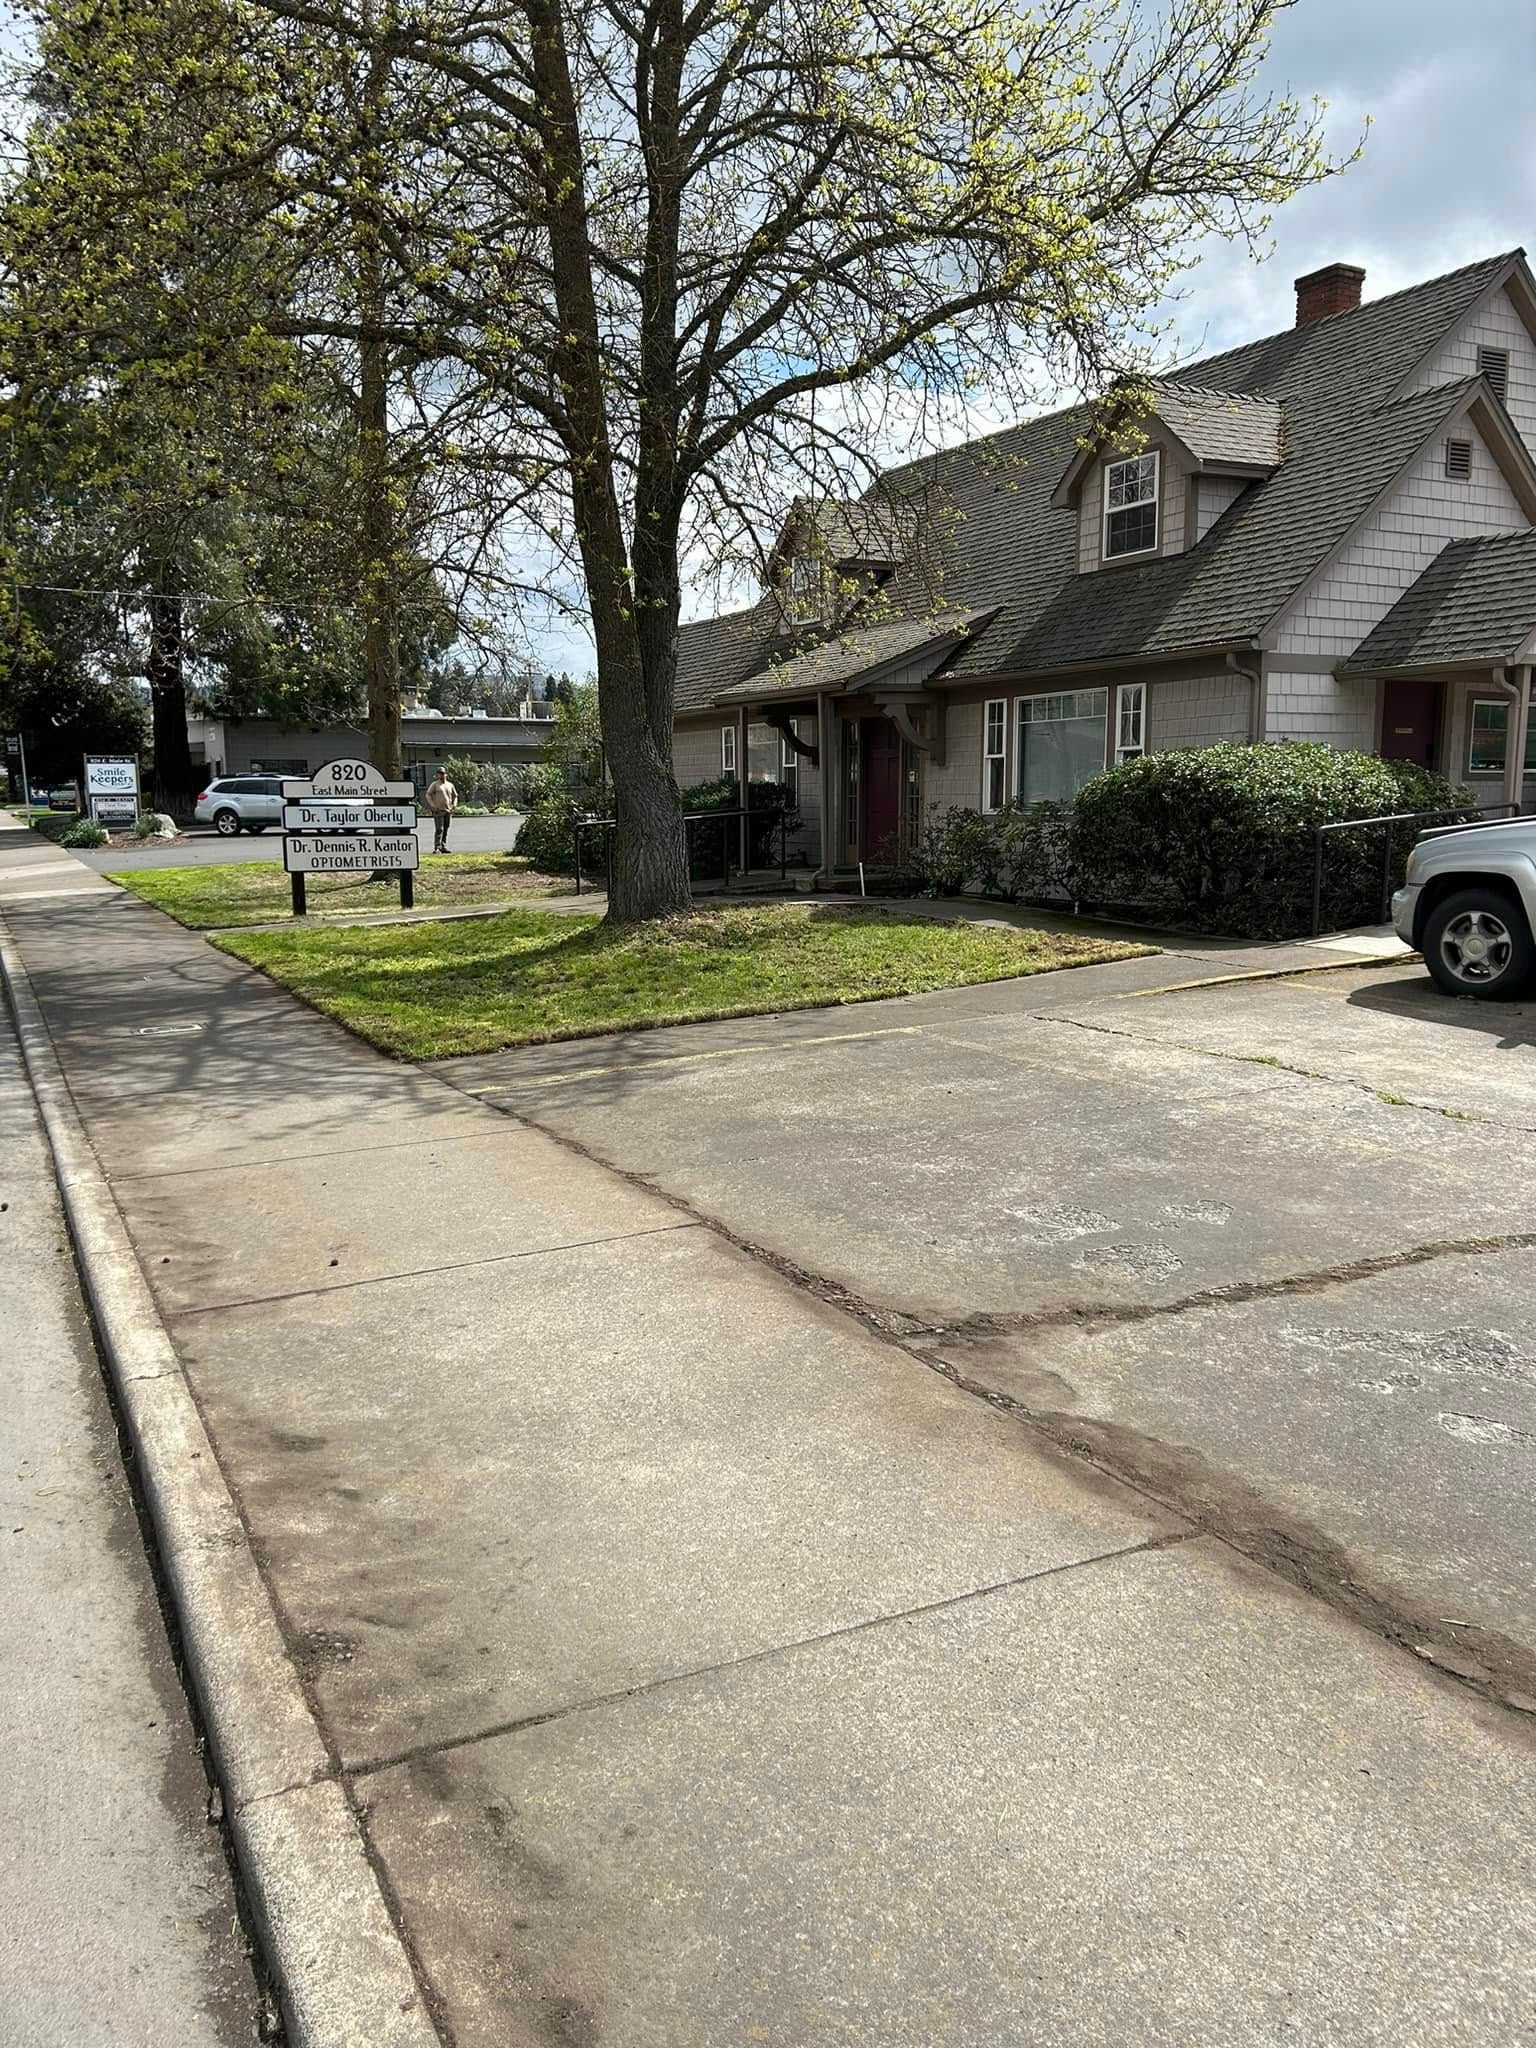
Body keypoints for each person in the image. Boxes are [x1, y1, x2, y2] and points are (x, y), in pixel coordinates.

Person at [425, 766, 458, 852]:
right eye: (439, 774)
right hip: (438, 810)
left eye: (442, 774)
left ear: (446, 775)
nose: (441, 775)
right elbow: (428, 795)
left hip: (448, 810)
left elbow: (455, 796)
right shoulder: (435, 785)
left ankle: (443, 846)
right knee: (439, 829)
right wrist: (433, 805)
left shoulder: (450, 785)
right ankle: (437, 847)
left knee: (446, 828)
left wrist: (454, 805)